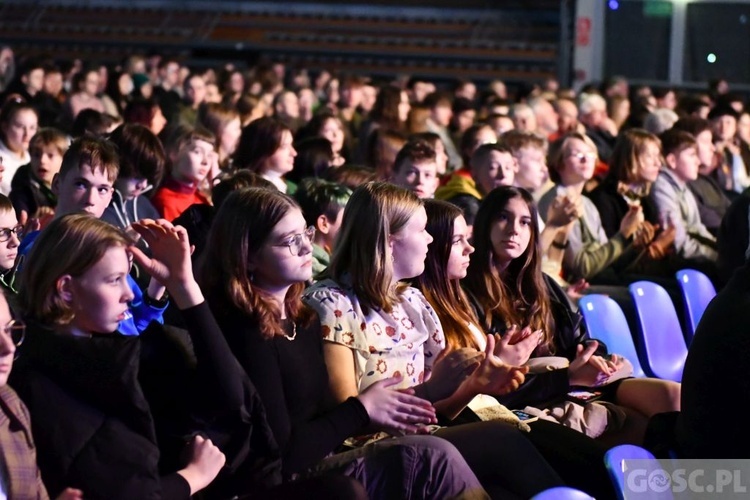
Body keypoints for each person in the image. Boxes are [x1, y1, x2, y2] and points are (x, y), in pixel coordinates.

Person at [303, 182, 605, 499]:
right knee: (506, 441)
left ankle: (656, 489)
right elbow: (347, 419)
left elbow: (437, 410)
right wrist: (437, 389)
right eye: (422, 230)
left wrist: (477, 383)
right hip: (369, 450)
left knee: (630, 429)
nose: (431, 239)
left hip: (433, 435)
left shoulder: (412, 302)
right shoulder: (331, 304)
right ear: (390, 242)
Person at [198, 187, 489, 499]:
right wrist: (363, 408)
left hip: (329, 453)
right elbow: (286, 450)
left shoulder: (302, 319)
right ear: (249, 257)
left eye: (305, 233)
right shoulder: (256, 332)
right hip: (284, 477)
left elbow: (331, 416)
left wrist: (467, 384)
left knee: (491, 439)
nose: (307, 247)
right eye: (289, 240)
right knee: (435, 457)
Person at [11, 214, 227, 498]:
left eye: (127, 277)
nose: (128, 293)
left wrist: (183, 284)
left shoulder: (113, 351)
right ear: (66, 290)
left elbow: (233, 400)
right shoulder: (45, 382)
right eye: (114, 280)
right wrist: (191, 477)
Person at [463, 186, 680, 443]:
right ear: (485, 223)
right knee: (641, 427)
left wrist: (598, 360)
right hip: (539, 397)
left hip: (578, 385)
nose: (514, 229)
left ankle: (722, 480)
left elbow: (582, 341)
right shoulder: (467, 291)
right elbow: (488, 391)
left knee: (673, 396)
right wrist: (568, 377)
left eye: (525, 222)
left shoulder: (542, 284)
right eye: (503, 217)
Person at [100, 124, 163, 233]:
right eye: (137, 177)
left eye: (147, 179)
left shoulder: (145, 206)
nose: (143, 185)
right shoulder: (97, 207)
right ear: (118, 163)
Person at [151, 125, 214, 221]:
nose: (205, 162)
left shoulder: (203, 198)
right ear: (174, 153)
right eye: (197, 152)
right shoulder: (166, 202)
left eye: (209, 155)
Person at [293, 178, 351, 277]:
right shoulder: (315, 269)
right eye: (348, 218)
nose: (353, 225)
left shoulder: (329, 261)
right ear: (323, 224)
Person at [10, 127, 68, 222]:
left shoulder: (69, 183)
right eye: (36, 155)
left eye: (50, 155)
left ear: (63, 159)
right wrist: (32, 219)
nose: (42, 160)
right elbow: (20, 223)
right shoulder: (22, 190)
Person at [234, 117, 297, 194]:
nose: (294, 153)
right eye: (284, 146)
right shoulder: (244, 191)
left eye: (291, 145)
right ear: (263, 149)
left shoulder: (291, 188)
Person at [0, 101, 38, 195]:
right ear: (5, 126)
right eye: (20, 126)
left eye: (32, 128)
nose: (27, 134)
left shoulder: (35, 157)